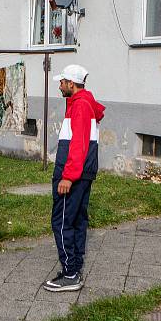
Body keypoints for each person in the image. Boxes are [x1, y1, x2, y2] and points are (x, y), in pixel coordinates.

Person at [43, 64, 105, 292]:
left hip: (73, 172)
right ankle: (75, 266)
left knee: (61, 221)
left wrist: (67, 177)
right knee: (78, 219)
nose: (59, 86)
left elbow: (78, 144)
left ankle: (70, 274)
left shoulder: (80, 105)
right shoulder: (85, 103)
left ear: (71, 84)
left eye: (62, 82)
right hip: (84, 171)